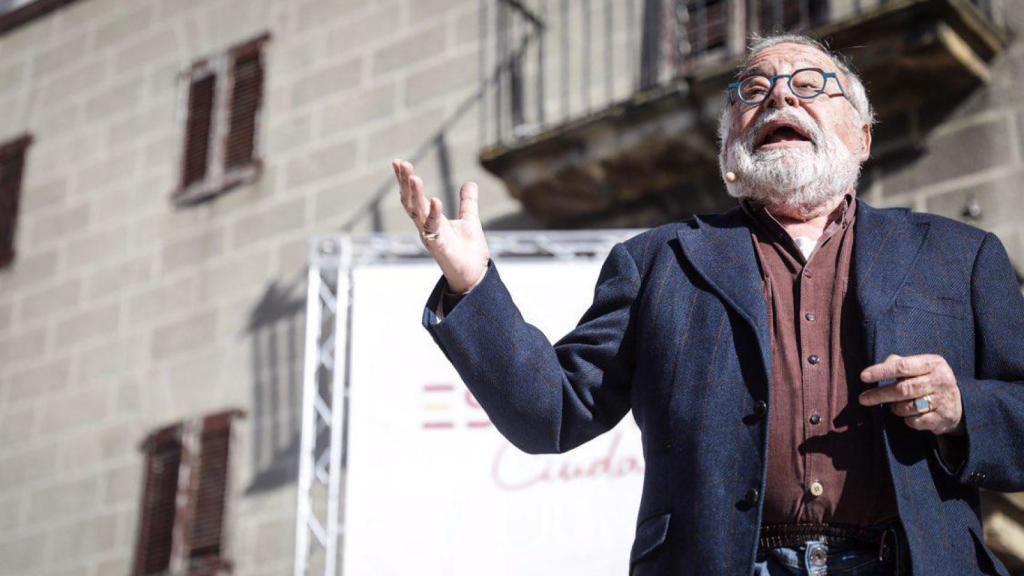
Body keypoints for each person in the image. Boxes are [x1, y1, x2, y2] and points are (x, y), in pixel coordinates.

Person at [391, 34, 1024, 576]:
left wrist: (964, 408)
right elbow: (552, 412)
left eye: (809, 83)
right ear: (729, 159)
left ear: (861, 138)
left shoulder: (959, 255)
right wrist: (473, 284)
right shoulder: (656, 262)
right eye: (753, 90)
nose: (779, 96)